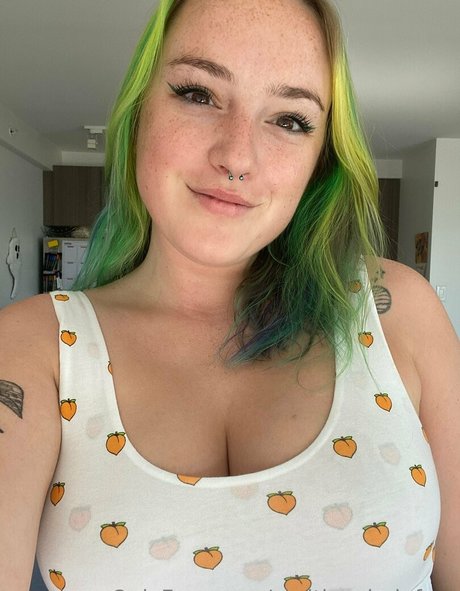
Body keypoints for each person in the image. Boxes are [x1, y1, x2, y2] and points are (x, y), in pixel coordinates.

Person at [1, 0, 459, 589]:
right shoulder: (34, 351)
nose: (238, 157)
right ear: (140, 111)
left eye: (290, 120)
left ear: (320, 159)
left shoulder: (399, 313)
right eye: (198, 94)